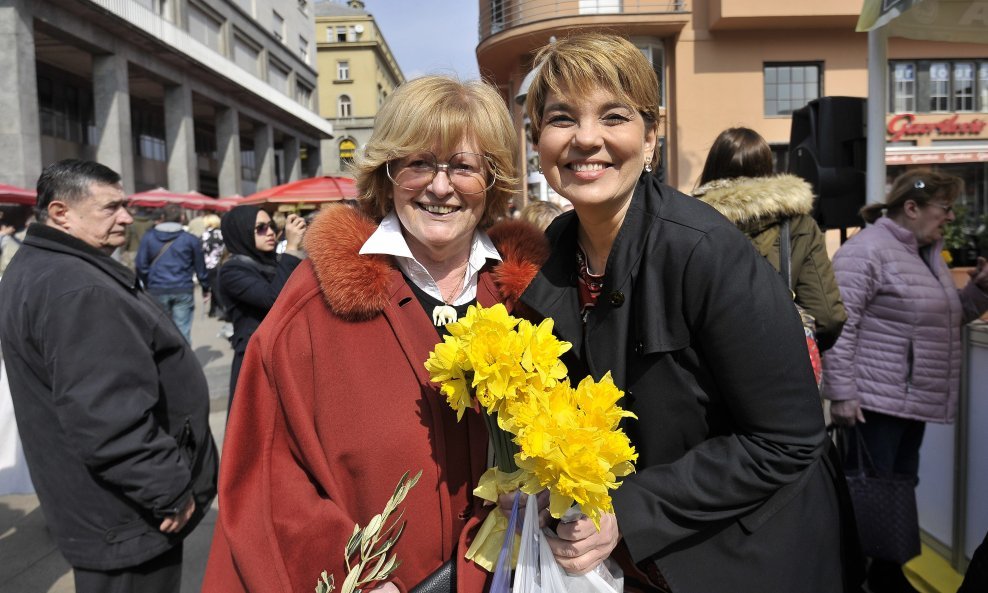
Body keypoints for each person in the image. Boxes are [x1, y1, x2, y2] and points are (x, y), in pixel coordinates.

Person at [517, 33, 858, 593]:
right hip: (643, 566)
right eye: (561, 119)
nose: (585, 138)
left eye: (613, 116)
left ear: (651, 136)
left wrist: (628, 510)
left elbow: (788, 439)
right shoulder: (551, 252)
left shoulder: (703, 249)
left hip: (749, 558)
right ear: (538, 141)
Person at [201, 75, 550, 593]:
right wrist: (352, 574)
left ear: (493, 180)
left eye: (463, 166)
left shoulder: (533, 297)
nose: (439, 186)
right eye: (418, 163)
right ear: (387, 175)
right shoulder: (311, 308)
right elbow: (262, 478)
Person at [0, 159, 218, 593]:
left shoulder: (44, 264)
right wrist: (168, 490)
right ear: (61, 213)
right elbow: (108, 416)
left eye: (126, 205)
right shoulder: (77, 287)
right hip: (126, 516)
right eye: (111, 207)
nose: (126, 217)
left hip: (105, 508)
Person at [824, 169, 988, 593]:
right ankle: (856, 577)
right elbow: (842, 326)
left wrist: (979, 292)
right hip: (874, 402)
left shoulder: (926, 254)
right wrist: (842, 393)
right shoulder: (867, 251)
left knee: (894, 490)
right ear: (911, 208)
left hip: (908, 399)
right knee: (869, 493)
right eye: (945, 208)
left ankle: (882, 574)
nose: (950, 218)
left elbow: (944, 321)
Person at [693, 126, 846, 350]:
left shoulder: (688, 221)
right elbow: (828, 316)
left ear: (711, 169)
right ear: (768, 169)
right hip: (779, 366)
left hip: (705, 373)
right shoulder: (798, 225)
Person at [217, 205, 306, 403]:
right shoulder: (232, 271)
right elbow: (273, 300)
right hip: (254, 359)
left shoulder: (272, 261)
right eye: (260, 228)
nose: (270, 233)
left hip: (282, 355)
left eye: (272, 226)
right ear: (242, 231)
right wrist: (290, 249)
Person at [136, 203, 209, 342]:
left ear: (163, 217)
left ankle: (164, 362)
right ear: (182, 217)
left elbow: (141, 265)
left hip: (156, 288)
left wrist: (147, 283)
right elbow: (200, 268)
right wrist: (205, 287)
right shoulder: (190, 239)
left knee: (160, 331)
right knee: (183, 331)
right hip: (183, 288)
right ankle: (184, 362)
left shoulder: (149, 237)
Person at [201, 213, 225, 318]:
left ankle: (224, 309)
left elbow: (202, 250)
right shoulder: (222, 233)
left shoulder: (206, 234)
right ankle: (213, 310)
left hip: (209, 264)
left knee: (215, 288)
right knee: (216, 286)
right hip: (220, 263)